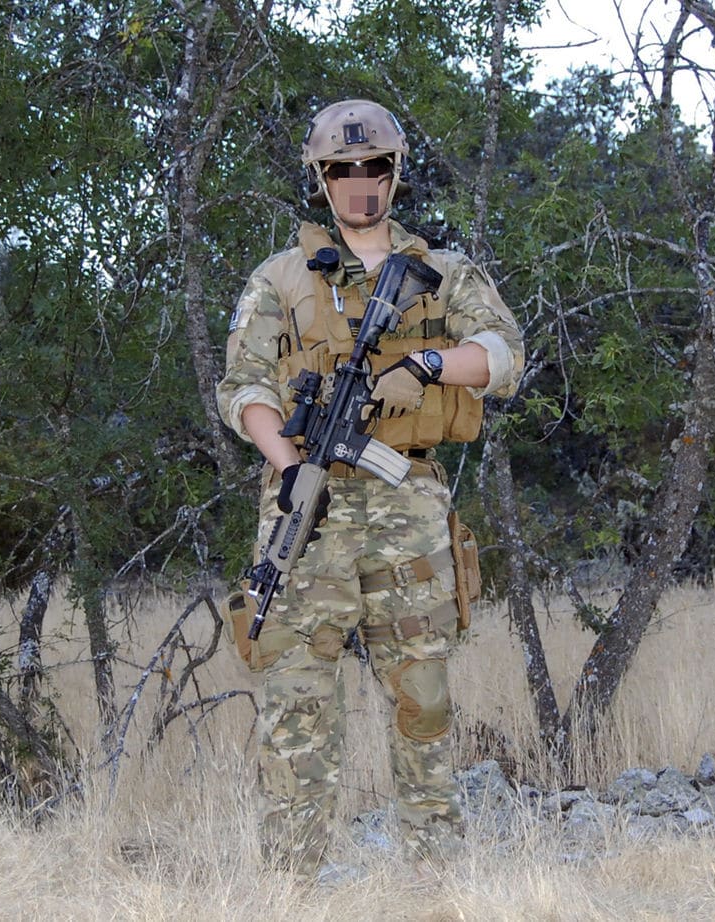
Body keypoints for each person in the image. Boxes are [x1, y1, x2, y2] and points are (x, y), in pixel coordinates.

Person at [216, 98, 523, 874]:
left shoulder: (443, 276)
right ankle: (292, 884)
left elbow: (502, 355)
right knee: (296, 707)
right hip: (306, 508)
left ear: (396, 173)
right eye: (343, 171)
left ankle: (436, 880)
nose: (360, 184)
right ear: (321, 179)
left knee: (422, 700)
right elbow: (243, 387)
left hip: (407, 507)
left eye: (375, 168)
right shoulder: (280, 278)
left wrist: (425, 365)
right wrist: (289, 465)